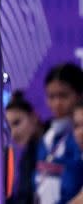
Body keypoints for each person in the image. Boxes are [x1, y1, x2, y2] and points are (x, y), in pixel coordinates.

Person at [37, 63, 83, 204]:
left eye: (63, 96)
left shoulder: (79, 138)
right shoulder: (45, 134)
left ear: (79, 95)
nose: (57, 103)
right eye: (51, 96)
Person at [6, 90, 42, 204]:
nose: (13, 133)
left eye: (17, 123)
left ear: (34, 117)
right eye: (8, 127)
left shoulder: (48, 147)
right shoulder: (28, 153)